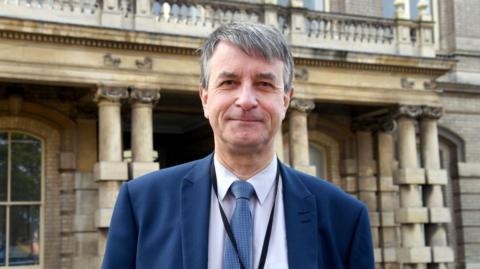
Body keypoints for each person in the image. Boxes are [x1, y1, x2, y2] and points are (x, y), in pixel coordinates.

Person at [102, 22, 374, 269]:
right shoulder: (141, 204)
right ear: (205, 98)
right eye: (229, 82)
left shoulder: (345, 218)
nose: (246, 100)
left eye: (264, 84)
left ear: (286, 100)